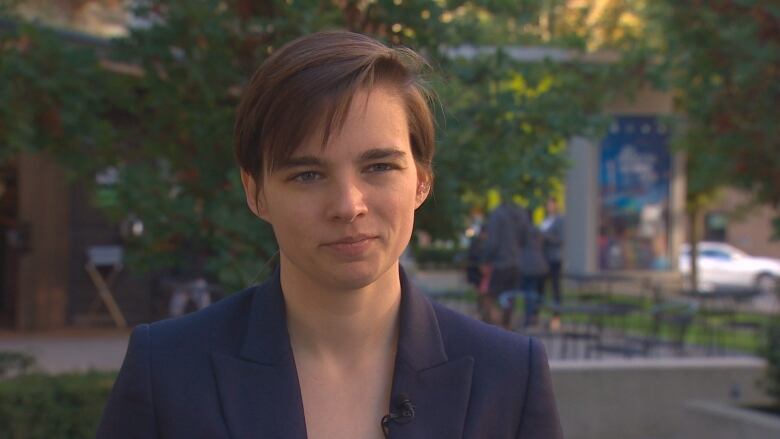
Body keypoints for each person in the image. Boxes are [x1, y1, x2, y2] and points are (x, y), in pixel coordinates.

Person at [97, 31, 562, 439]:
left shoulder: (508, 375)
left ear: (422, 179)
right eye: (306, 175)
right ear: (256, 192)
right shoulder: (169, 370)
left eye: (379, 166)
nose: (348, 205)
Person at [481, 198, 530, 329]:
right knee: (510, 298)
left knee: (489, 296)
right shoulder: (521, 215)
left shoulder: (497, 215)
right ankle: (506, 327)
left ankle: (488, 329)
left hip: (500, 263)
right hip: (516, 262)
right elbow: (525, 239)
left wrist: (485, 260)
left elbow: (493, 243)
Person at [541, 197, 564, 330]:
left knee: (556, 289)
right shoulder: (545, 220)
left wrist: (545, 237)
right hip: (543, 259)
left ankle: (556, 317)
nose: (549, 207)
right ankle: (544, 315)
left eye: (551, 205)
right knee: (543, 289)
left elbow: (560, 239)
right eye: (547, 204)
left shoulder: (559, 220)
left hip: (554, 258)